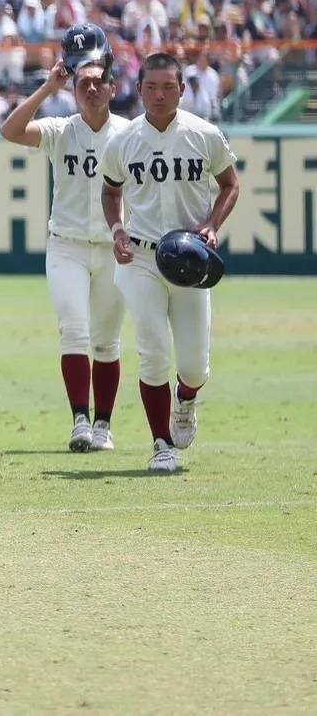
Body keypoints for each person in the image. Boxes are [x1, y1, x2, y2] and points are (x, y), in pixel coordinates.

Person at [101, 53, 240, 473]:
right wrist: (117, 231)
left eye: (168, 86)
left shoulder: (204, 133)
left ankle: (187, 397)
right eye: (151, 87)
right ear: (138, 89)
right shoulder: (123, 140)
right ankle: (161, 443)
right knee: (153, 351)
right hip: (140, 255)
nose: (159, 94)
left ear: (182, 89)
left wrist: (213, 224)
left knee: (195, 365)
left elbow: (231, 184)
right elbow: (110, 191)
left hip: (190, 259)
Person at [0, 40, 127, 453]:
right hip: (67, 245)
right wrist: (46, 90)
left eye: (98, 82)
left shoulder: (129, 133)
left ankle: (104, 424)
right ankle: (80, 420)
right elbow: (10, 131)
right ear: (73, 89)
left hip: (113, 247)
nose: (91, 89)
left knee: (107, 340)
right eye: (83, 83)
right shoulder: (60, 129)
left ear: (113, 87)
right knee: (73, 330)